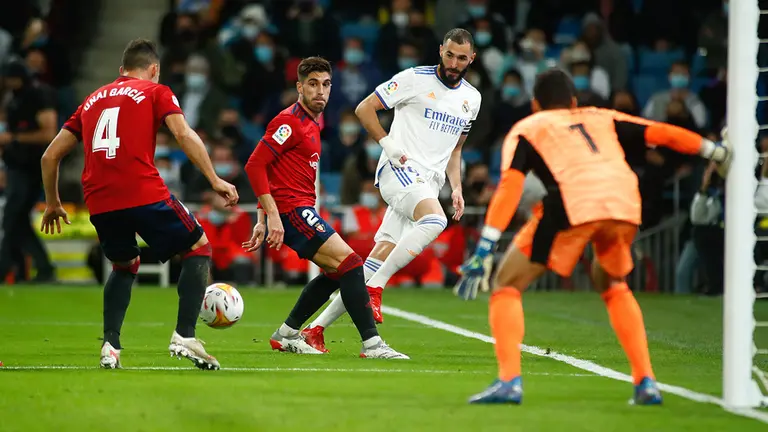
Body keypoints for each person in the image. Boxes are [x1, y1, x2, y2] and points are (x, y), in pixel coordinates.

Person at [454, 68, 730, 405]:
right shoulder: (602, 116)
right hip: (624, 202)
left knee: (507, 284)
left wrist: (485, 246)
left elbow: (511, 186)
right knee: (613, 285)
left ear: (536, 104)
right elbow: (662, 133)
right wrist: (714, 152)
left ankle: (509, 381)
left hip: (574, 203)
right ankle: (646, 382)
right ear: (573, 101)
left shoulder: (529, 127)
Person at [39, 39, 239, 370]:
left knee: (124, 264)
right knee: (198, 247)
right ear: (154, 70)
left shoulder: (90, 100)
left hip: (100, 200)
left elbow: (50, 155)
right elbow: (184, 134)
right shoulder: (155, 91)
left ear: (121, 71)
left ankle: (110, 345)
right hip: (142, 190)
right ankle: (185, 336)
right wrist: (214, 179)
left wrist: (52, 203)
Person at [302, 28, 482, 351]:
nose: (454, 63)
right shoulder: (414, 79)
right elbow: (363, 108)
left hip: (426, 185)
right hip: (398, 171)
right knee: (436, 220)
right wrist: (388, 144)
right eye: (449, 55)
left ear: (472, 59)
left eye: (462, 58)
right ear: (441, 50)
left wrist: (456, 187)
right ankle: (377, 289)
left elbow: (455, 151)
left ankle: (314, 330)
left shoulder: (473, 99)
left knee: (371, 263)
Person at [243, 56, 408, 359]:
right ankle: (372, 344)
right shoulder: (288, 122)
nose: (321, 91)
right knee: (353, 264)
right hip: (294, 211)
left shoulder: (311, 124)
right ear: (299, 87)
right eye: (313, 84)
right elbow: (255, 165)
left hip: (297, 210)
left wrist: (260, 219)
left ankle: (287, 333)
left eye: (326, 84)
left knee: (336, 271)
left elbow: (271, 171)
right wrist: (273, 218)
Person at [0, 59, 57, 282]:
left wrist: (12, 138)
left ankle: (5, 268)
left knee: (13, 217)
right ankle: (42, 269)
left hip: (31, 167)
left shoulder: (38, 95)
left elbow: (49, 132)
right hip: (16, 164)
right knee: (18, 220)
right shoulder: (15, 97)